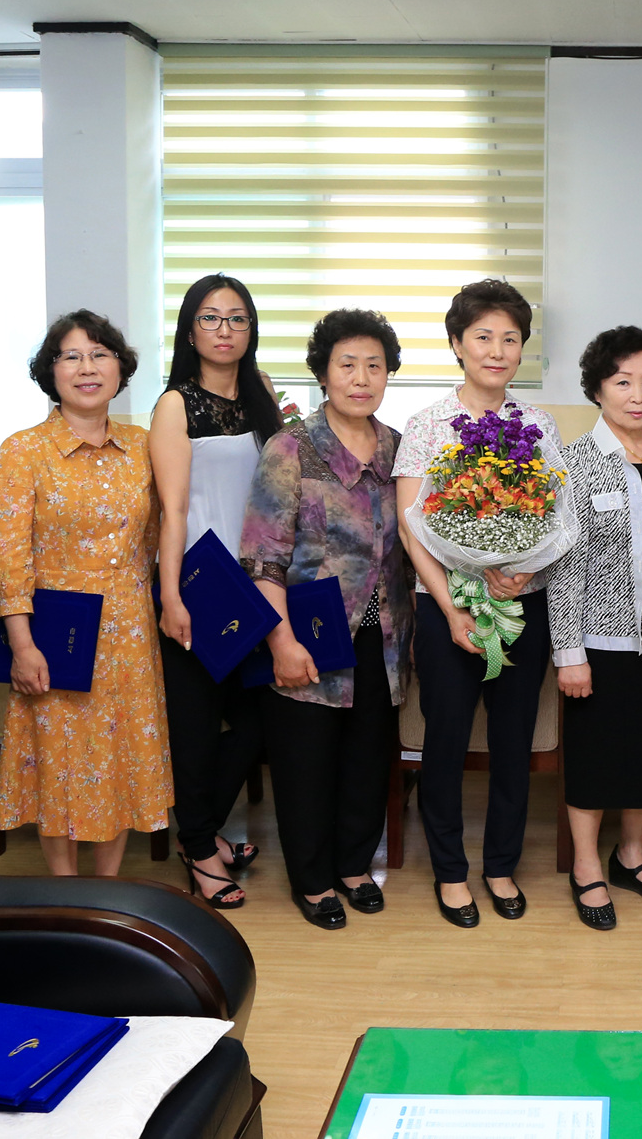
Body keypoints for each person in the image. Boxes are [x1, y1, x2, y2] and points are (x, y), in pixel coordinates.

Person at [395, 279, 562, 928]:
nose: (497, 349)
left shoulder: (537, 424)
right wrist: (453, 605)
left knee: (513, 743)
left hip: (522, 606)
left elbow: (553, 514)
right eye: (483, 336)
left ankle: (500, 864)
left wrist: (518, 571)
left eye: (510, 338)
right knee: (446, 741)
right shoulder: (428, 424)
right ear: (458, 344)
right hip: (447, 608)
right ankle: (449, 870)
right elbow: (415, 526)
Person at [242, 309, 412, 931]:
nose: (362, 377)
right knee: (305, 762)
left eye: (374, 365)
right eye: (348, 364)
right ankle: (312, 881)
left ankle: (353, 866)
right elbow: (261, 559)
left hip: (386, 632)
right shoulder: (291, 448)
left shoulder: (398, 448)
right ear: (322, 373)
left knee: (370, 755)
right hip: (307, 631)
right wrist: (281, 640)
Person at [0, 311, 170, 877]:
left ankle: (108, 885)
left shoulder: (144, 446)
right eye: (72, 356)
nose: (87, 367)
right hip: (57, 634)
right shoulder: (23, 451)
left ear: (120, 367)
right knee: (60, 761)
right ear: (51, 372)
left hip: (132, 633)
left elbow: (164, 533)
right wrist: (22, 644)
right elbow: (6, 557)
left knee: (118, 761)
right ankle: (66, 890)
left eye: (100, 354)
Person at [549, 326, 642, 930]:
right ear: (599, 389)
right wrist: (569, 653)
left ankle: (632, 855)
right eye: (622, 381)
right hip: (600, 639)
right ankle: (587, 867)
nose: (637, 394)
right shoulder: (578, 462)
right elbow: (564, 564)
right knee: (596, 757)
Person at [148, 274, 280, 908]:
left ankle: (202, 834)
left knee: (260, 720)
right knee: (196, 727)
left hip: (258, 586)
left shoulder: (264, 400)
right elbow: (173, 510)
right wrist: (171, 597)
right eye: (211, 317)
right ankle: (202, 850)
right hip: (200, 586)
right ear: (190, 329)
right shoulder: (176, 404)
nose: (225, 329)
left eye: (237, 318)